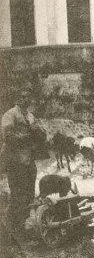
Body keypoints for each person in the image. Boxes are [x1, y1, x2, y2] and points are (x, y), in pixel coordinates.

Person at [1, 89, 43, 235]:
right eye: (22, 97)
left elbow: (41, 135)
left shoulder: (30, 116)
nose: (25, 100)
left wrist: (37, 131)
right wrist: (30, 133)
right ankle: (12, 229)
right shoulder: (10, 115)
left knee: (29, 194)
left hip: (28, 161)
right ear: (17, 99)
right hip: (15, 161)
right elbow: (9, 137)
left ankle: (22, 226)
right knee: (17, 194)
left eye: (28, 98)